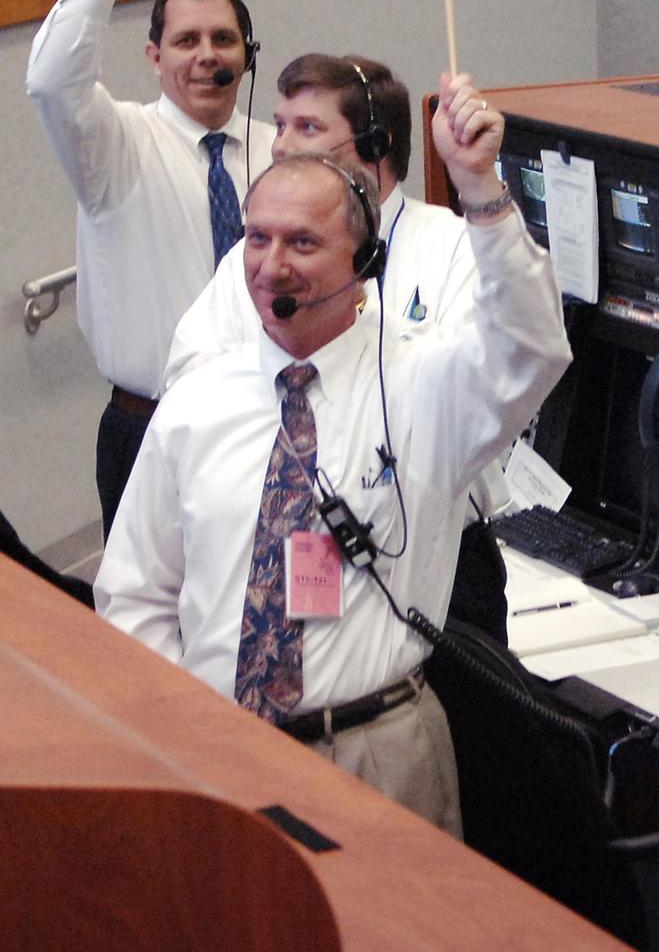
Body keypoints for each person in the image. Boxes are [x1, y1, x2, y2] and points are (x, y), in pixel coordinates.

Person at [94, 84, 572, 835]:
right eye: (257, 239)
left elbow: (532, 348)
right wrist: (178, 729)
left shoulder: (423, 387)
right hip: (216, 757)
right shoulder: (196, 399)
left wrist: (479, 187)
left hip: (373, 757)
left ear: (365, 259)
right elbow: (135, 593)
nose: (271, 266)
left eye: (302, 243)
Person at [165, 51, 515, 638]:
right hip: (293, 534)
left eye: (306, 128)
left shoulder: (454, 247)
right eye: (278, 125)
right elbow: (193, 381)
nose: (279, 146)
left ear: (376, 145)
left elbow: (485, 382)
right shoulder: (253, 265)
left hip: (436, 550)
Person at [26, 0, 274, 540]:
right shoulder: (117, 146)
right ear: (154, 57)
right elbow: (51, 80)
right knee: (149, 635)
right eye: (186, 40)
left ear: (247, 56)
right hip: (152, 430)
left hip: (268, 418)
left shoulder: (284, 156)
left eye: (223, 39)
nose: (205, 56)